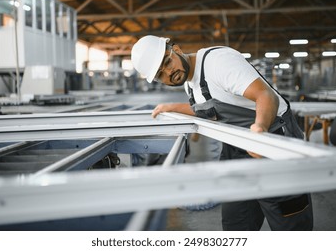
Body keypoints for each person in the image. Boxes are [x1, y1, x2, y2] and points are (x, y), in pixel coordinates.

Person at [131, 35, 313, 231]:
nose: (169, 72)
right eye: (160, 74)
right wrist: (172, 107)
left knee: (289, 221)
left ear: (177, 49)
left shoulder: (218, 63)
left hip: (273, 140)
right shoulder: (188, 82)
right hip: (238, 146)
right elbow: (208, 109)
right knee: (237, 222)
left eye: (167, 62)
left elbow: (265, 95)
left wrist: (260, 128)